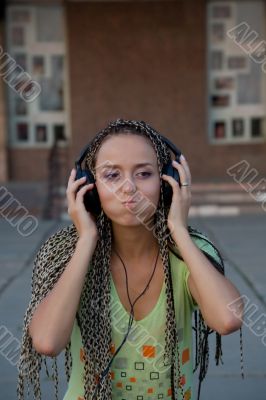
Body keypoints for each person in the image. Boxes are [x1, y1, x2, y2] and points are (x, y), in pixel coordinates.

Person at [17, 119, 244, 400]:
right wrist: (87, 239)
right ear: (89, 188)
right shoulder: (70, 253)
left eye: (144, 174)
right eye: (112, 175)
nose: (129, 188)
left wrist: (180, 231)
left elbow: (228, 319)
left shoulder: (187, 253)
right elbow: (47, 341)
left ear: (168, 182)